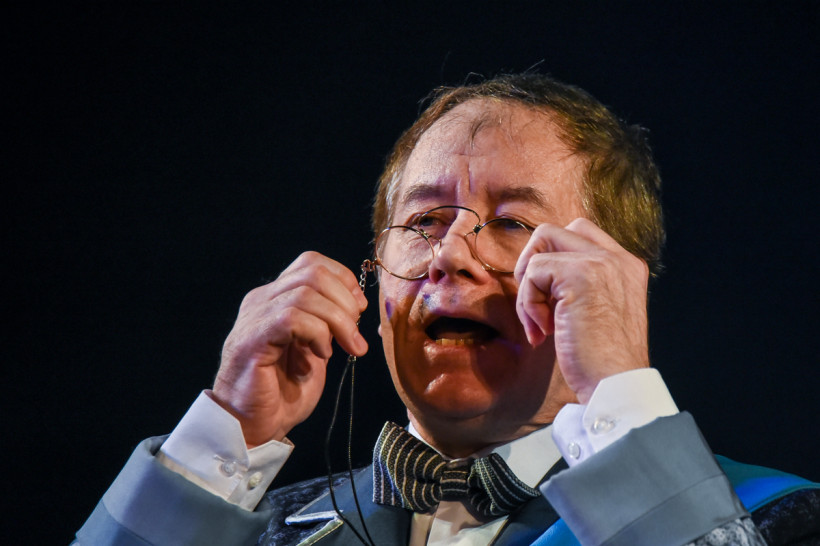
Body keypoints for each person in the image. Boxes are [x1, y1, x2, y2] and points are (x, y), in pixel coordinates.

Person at [75, 74, 818, 545]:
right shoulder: (261, 530)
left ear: (613, 283)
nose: (449, 255)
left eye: (512, 222)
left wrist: (621, 395)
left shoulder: (777, 518)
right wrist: (228, 426)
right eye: (424, 221)